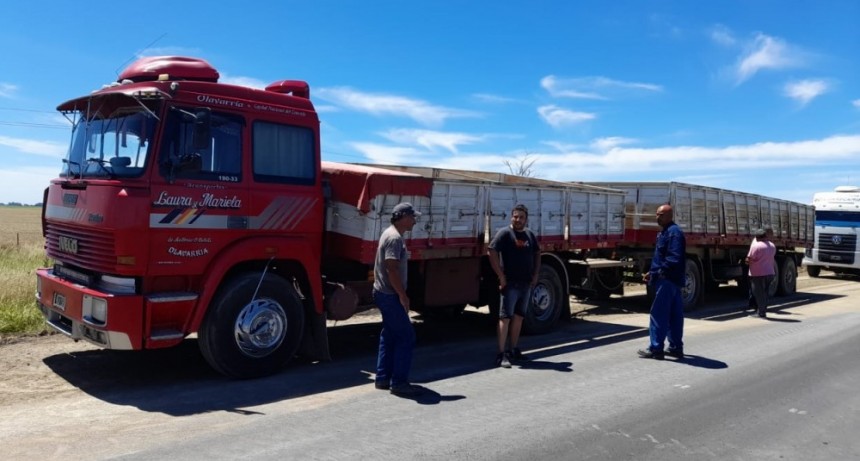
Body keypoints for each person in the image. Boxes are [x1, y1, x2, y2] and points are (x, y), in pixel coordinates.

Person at [373, 202, 422, 396]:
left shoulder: (391, 234)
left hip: (383, 293)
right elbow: (391, 268)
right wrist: (402, 295)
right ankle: (399, 382)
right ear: (402, 216)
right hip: (389, 295)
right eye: (412, 217)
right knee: (406, 336)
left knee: (390, 334)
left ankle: (383, 378)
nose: (415, 221)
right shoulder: (394, 238)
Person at [488, 204, 540, 368]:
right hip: (510, 284)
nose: (518, 220)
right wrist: (501, 276)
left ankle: (514, 350)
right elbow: (491, 251)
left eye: (521, 217)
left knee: (519, 317)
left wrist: (536, 274)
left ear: (526, 219)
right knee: (505, 318)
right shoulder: (505, 233)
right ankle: (501, 354)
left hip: (525, 283)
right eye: (515, 217)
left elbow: (537, 253)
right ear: (511, 217)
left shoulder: (530, 235)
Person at [638, 204, 687, 360]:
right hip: (670, 280)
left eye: (660, 215)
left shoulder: (673, 233)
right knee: (674, 316)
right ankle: (675, 348)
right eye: (657, 214)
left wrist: (659, 273)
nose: (657, 217)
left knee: (659, 314)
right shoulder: (666, 232)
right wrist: (651, 273)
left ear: (669, 215)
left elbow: (673, 258)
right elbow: (661, 258)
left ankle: (656, 348)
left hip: (667, 281)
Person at [746, 227, 776, 318]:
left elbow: (749, 259)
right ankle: (762, 309)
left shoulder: (756, 246)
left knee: (758, 293)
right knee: (765, 292)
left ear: (757, 237)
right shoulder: (772, 245)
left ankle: (761, 312)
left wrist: (747, 261)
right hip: (770, 272)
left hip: (758, 273)